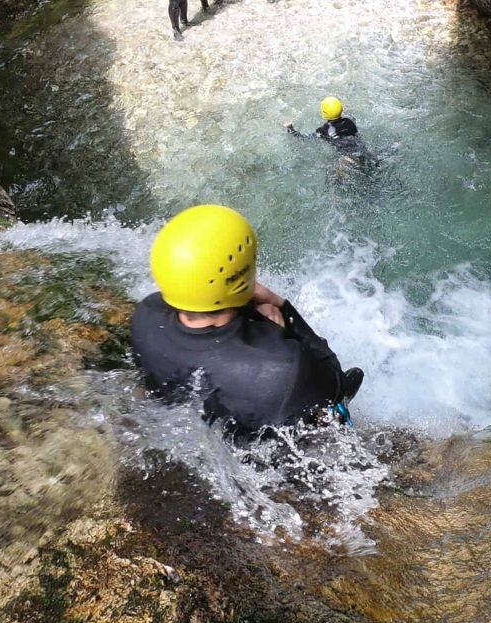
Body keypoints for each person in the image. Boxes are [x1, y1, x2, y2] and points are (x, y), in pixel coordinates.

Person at [131, 204, 364, 434]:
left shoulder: (147, 315)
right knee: (334, 407)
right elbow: (334, 381)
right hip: (280, 438)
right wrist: (281, 318)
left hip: (207, 427)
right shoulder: (285, 366)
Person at [284, 97, 379, 190]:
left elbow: (304, 139)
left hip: (346, 159)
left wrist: (291, 129)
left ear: (323, 113)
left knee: (336, 181)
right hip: (363, 152)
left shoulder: (323, 130)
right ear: (341, 110)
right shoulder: (350, 122)